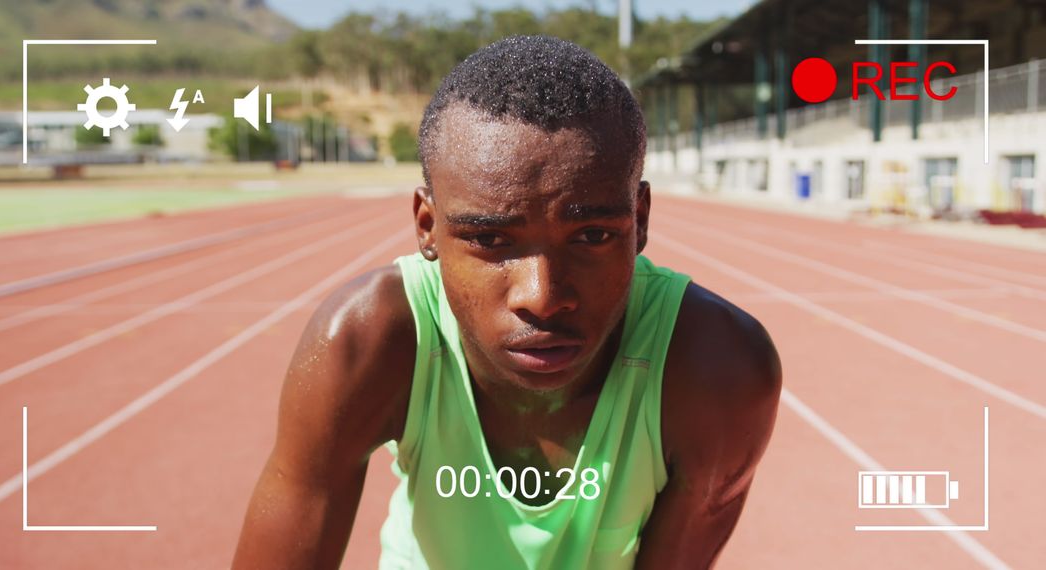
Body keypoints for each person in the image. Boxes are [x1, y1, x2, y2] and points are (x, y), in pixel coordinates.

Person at [233, 35, 781, 570]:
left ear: (640, 219)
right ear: (427, 226)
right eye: (491, 241)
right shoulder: (365, 340)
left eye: (591, 237)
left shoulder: (719, 369)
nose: (542, 298)